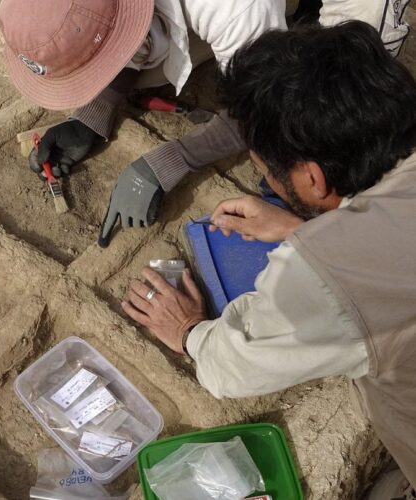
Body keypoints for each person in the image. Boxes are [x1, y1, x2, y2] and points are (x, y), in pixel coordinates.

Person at [122, 21, 416, 494]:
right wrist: (306, 227)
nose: (268, 179)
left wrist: (188, 330)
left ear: (313, 180)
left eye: (267, 171)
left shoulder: (322, 275)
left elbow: (235, 366)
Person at [0, 0, 410, 246]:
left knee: (344, 96)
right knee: (156, 68)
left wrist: (175, 159)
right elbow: (119, 31)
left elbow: (265, 102)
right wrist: (94, 112)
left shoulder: (233, 7)